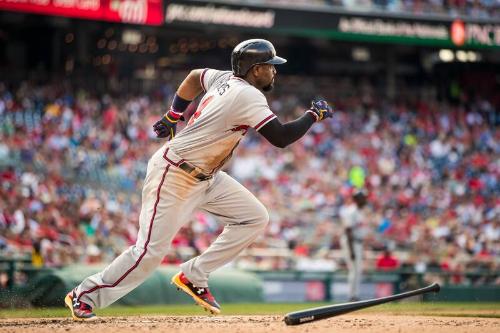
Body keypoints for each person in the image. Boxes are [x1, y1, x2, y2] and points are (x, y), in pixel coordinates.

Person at [65, 39, 334, 320]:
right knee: (149, 253)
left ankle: (195, 274)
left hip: (208, 177)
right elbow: (280, 138)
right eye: (270, 66)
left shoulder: (223, 78)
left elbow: (194, 77)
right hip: (175, 175)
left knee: (254, 217)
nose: (274, 72)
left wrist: (173, 114)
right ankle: (83, 295)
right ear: (255, 70)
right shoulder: (249, 95)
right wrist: (313, 115)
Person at [339, 189, 367, 301]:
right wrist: (351, 250)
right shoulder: (352, 211)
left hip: (358, 242)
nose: (365, 199)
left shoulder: (360, 211)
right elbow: (348, 230)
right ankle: (352, 296)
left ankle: (355, 295)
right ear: (357, 199)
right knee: (354, 270)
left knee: (357, 270)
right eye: (362, 197)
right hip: (351, 242)